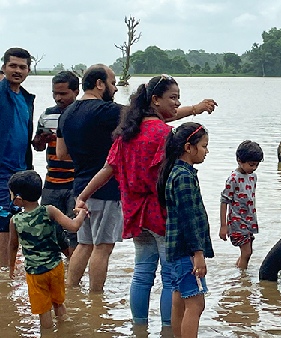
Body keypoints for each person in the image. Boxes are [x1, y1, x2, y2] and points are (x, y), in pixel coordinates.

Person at [75, 75, 216, 326]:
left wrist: (83, 196)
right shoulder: (165, 135)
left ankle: (139, 327)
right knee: (171, 277)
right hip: (162, 215)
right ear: (155, 99)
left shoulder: (126, 134)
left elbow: (107, 170)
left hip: (134, 212)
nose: (176, 103)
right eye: (172, 97)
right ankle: (166, 328)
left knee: (141, 274)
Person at [55, 64, 123, 292]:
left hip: (80, 188)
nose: (114, 89)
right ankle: (96, 298)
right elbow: (148, 117)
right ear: (99, 84)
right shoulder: (107, 111)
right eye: (112, 83)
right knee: (103, 247)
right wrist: (194, 109)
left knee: (84, 244)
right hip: (106, 188)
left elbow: (61, 153)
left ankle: (71, 291)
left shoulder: (67, 114)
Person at [7, 170, 87, 329]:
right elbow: (73, 227)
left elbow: (13, 246)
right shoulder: (49, 210)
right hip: (55, 268)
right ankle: (65, 330)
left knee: (44, 311)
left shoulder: (15, 221)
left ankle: (49, 334)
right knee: (59, 303)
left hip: (35, 274)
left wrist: (11, 268)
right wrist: (82, 213)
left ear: (18, 200)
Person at [157, 122, 214, 338]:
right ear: (189, 147)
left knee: (179, 299)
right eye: (204, 146)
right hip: (186, 252)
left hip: (175, 250)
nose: (207, 151)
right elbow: (189, 219)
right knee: (196, 304)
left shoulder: (175, 172)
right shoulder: (184, 177)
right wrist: (198, 254)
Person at [32, 71, 80, 258]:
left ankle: (74, 273)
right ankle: (57, 268)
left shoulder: (82, 114)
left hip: (76, 182)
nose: (58, 98)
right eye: (55, 94)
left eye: (63, 94)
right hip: (52, 181)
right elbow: (37, 146)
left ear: (76, 91)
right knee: (47, 228)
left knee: (75, 231)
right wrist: (40, 140)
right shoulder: (48, 115)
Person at [0, 47, 35, 269]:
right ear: (3, 67)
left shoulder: (26, 98)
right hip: (1, 171)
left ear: (28, 70)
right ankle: (4, 274)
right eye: (13, 65)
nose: (17, 70)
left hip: (21, 171)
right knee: (3, 224)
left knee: (17, 222)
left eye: (22, 67)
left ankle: (10, 272)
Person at [219, 140, 263, 270]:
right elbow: (224, 201)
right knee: (247, 252)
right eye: (251, 164)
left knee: (248, 251)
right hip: (237, 222)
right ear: (239, 160)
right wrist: (223, 226)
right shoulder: (233, 178)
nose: (254, 168)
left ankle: (239, 272)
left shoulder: (253, 176)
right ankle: (243, 280)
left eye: (257, 165)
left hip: (249, 220)